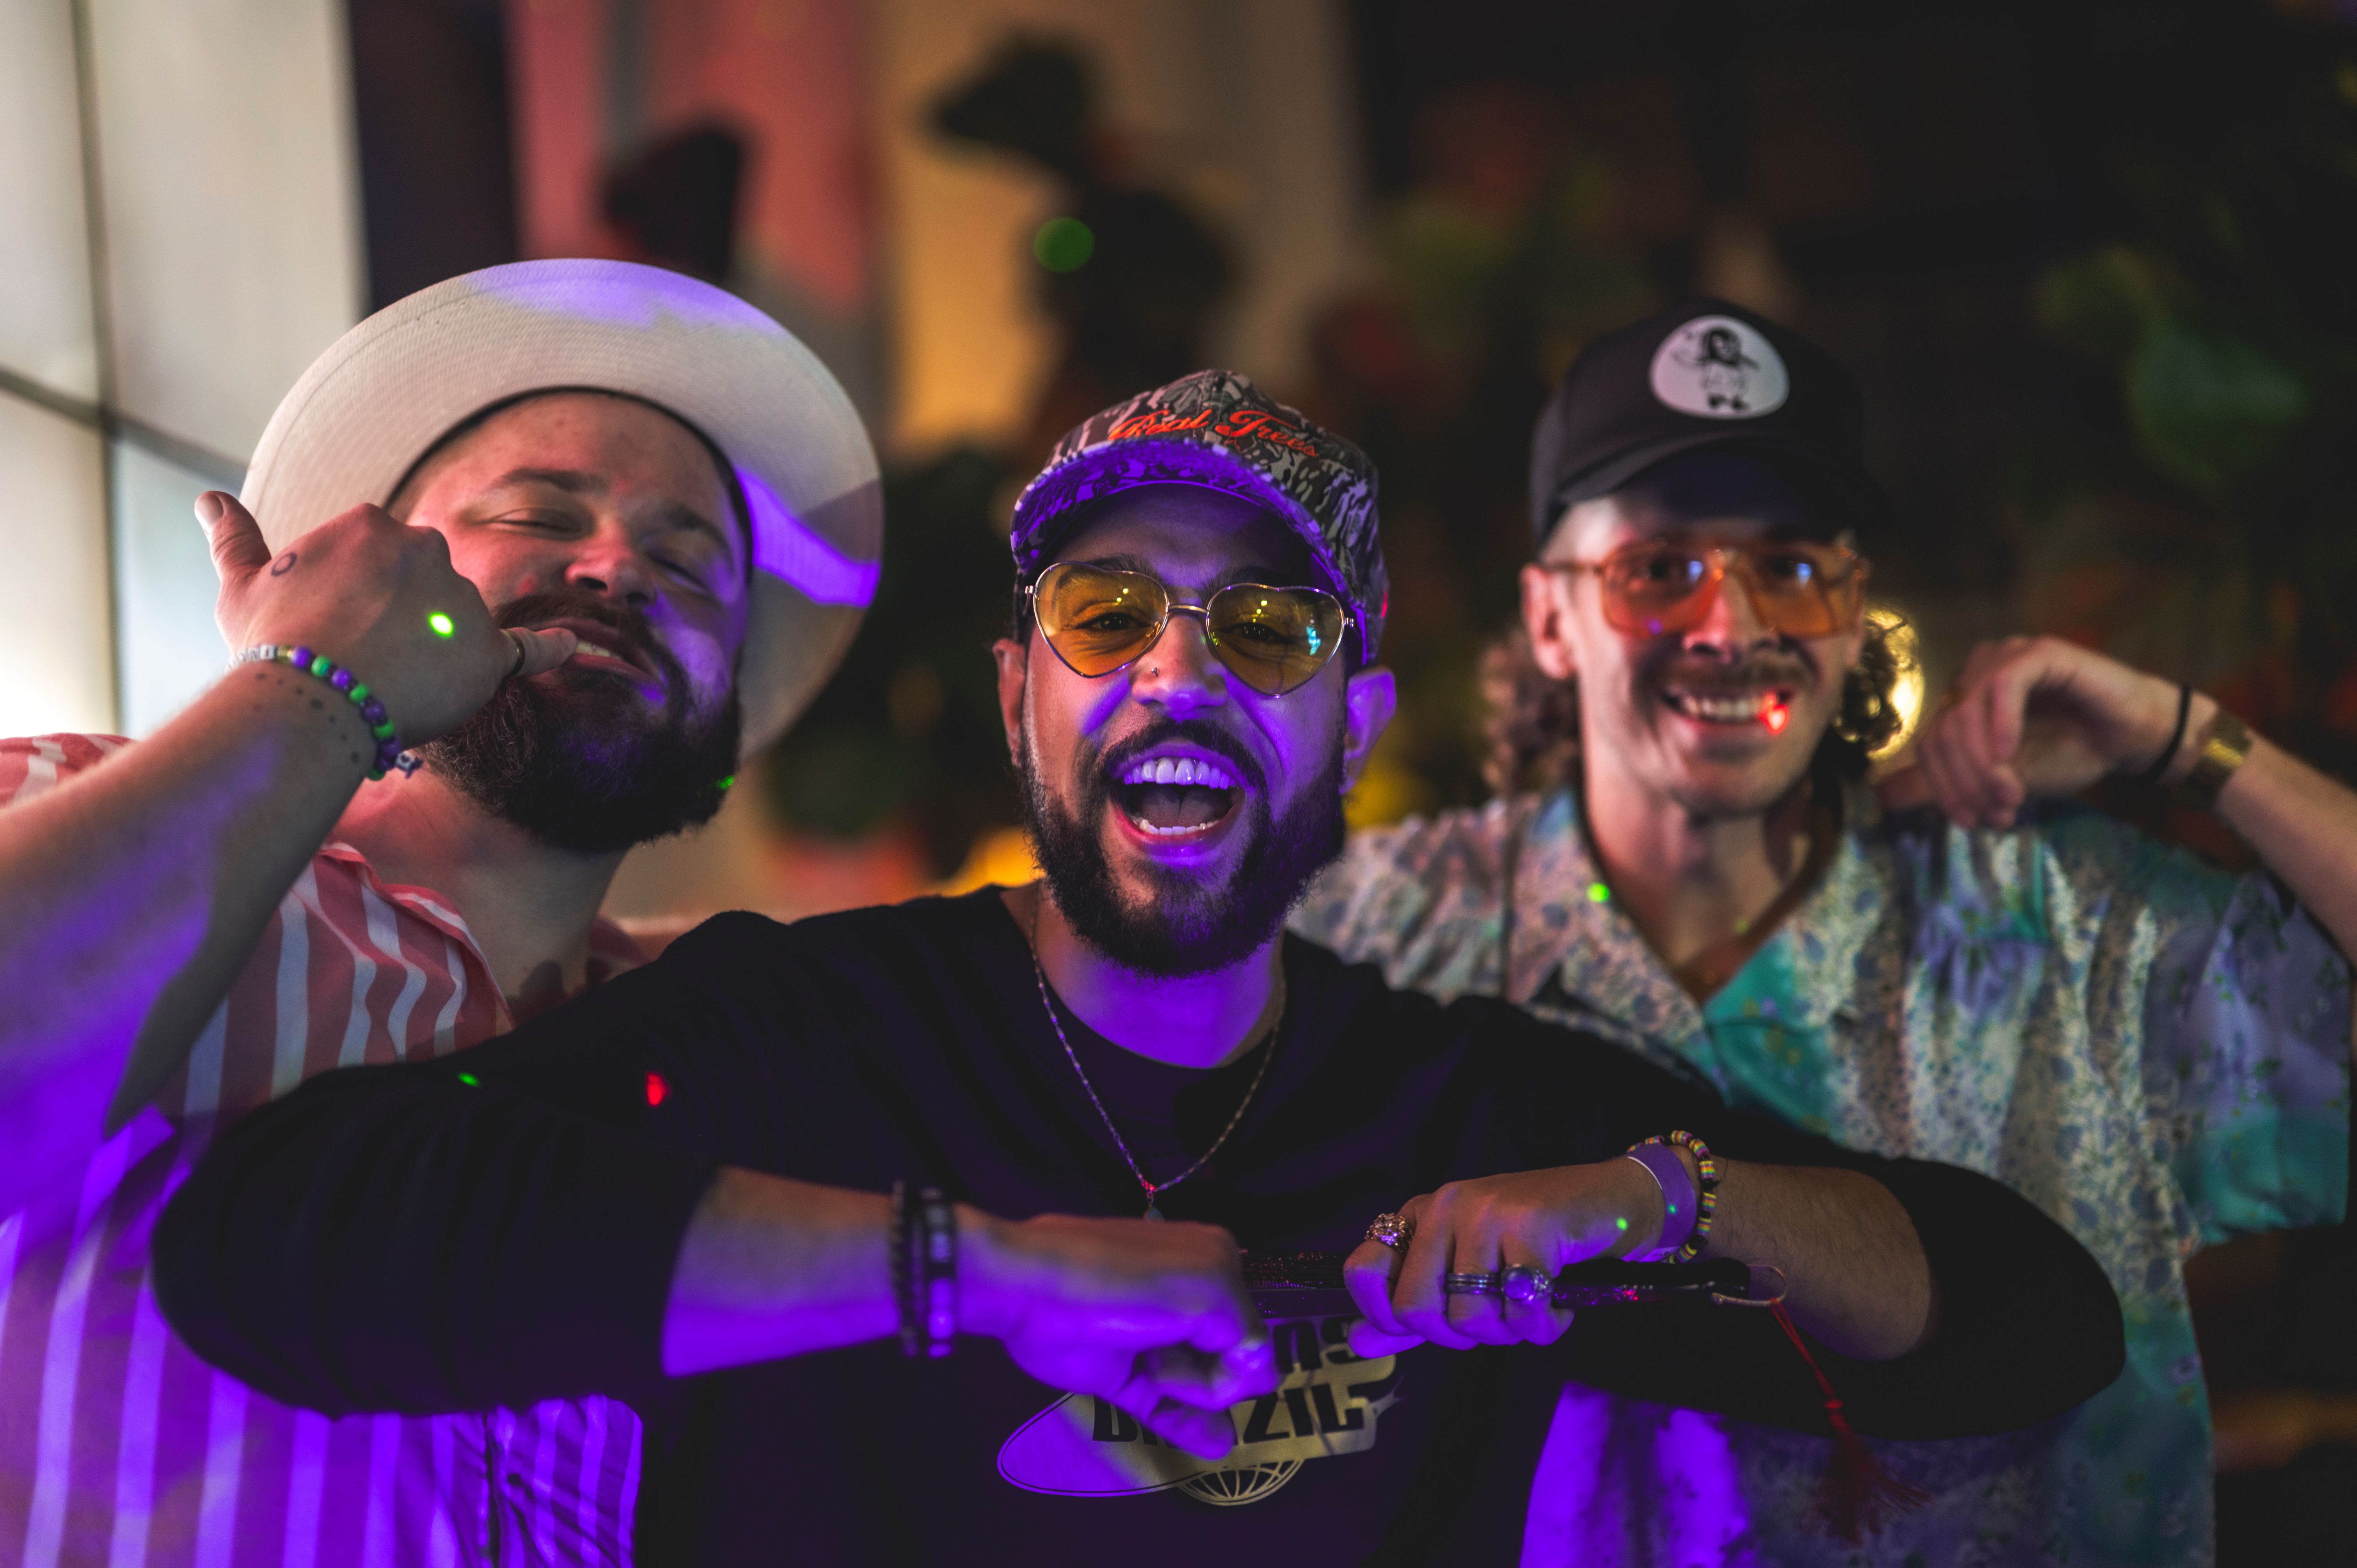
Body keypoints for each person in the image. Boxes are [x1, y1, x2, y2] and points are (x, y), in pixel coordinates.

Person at [154, 370, 2124, 1563]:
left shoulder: (1471, 1107)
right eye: (1109, 615)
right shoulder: (802, 1031)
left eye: (1265, 629)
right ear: (1024, 693)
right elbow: (281, 1244)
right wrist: (974, 1268)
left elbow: (2029, 1327)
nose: (1178, 671)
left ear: (1353, 720)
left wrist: (1664, 1197)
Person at [0, 261, 1265, 1565]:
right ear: (373, 564)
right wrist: (318, 678)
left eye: (688, 561)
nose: (616, 569)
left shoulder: (727, 1039)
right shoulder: (60, 800)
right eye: (538, 515)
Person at [1293, 299, 2355, 1565]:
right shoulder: (1374, 933)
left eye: (1793, 566)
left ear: (1853, 616)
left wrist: (2196, 746)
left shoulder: (2066, 925)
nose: (1732, 629)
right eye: (1658, 568)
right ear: (1548, 619)